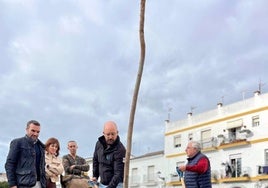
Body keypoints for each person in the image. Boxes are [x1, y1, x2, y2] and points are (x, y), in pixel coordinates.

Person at [5, 120, 46, 188]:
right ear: (27, 129)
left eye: (38, 132)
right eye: (33, 130)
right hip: (23, 184)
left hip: (40, 184)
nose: (35, 134)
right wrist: (12, 184)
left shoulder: (41, 146)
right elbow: (10, 164)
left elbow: (42, 166)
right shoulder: (17, 143)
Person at [91, 121, 126, 188]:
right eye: (108, 134)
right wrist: (95, 176)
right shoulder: (98, 144)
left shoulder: (120, 150)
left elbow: (118, 173)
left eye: (113, 134)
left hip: (117, 184)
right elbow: (95, 160)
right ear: (103, 133)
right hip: (102, 183)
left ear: (117, 133)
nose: (110, 137)